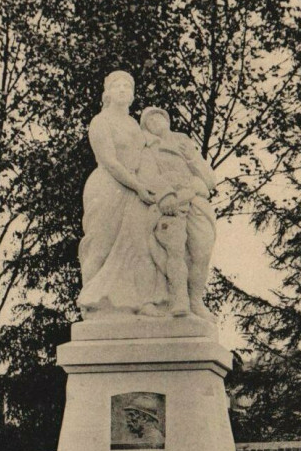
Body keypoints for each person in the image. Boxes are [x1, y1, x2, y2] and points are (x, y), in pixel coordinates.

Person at [77, 72, 172, 317]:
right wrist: (138, 186)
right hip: (109, 187)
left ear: (132, 95)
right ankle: (90, 305)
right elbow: (109, 161)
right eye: (116, 86)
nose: (122, 89)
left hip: (136, 189)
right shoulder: (101, 121)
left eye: (127, 86)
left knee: (139, 246)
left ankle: (141, 300)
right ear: (107, 93)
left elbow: (148, 153)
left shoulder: (133, 124)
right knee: (101, 245)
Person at [140, 106, 217, 320]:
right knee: (175, 251)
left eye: (160, 117)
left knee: (201, 252)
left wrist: (191, 158)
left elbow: (210, 180)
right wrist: (166, 195)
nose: (156, 122)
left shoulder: (185, 144)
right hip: (170, 206)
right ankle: (180, 299)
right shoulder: (148, 149)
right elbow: (148, 176)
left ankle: (196, 299)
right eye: (150, 121)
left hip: (196, 203)